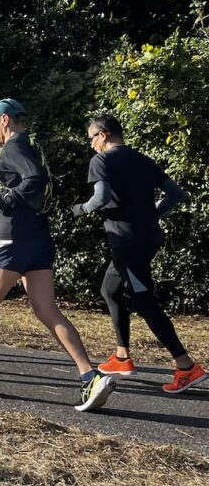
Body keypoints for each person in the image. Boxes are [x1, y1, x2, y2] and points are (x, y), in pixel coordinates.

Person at [0, 98, 117, 412]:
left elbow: (34, 180)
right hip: (38, 237)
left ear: (5, 120)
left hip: (13, 238)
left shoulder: (13, 148)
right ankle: (90, 376)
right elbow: (39, 180)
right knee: (46, 309)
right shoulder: (32, 145)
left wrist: (5, 199)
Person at [73, 114, 206, 394]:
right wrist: (150, 215)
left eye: (91, 139)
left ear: (104, 135)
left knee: (144, 301)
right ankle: (122, 357)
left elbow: (101, 196)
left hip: (127, 241)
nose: (91, 145)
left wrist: (81, 209)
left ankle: (186, 367)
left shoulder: (102, 161)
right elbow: (176, 194)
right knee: (110, 290)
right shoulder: (143, 160)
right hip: (146, 238)